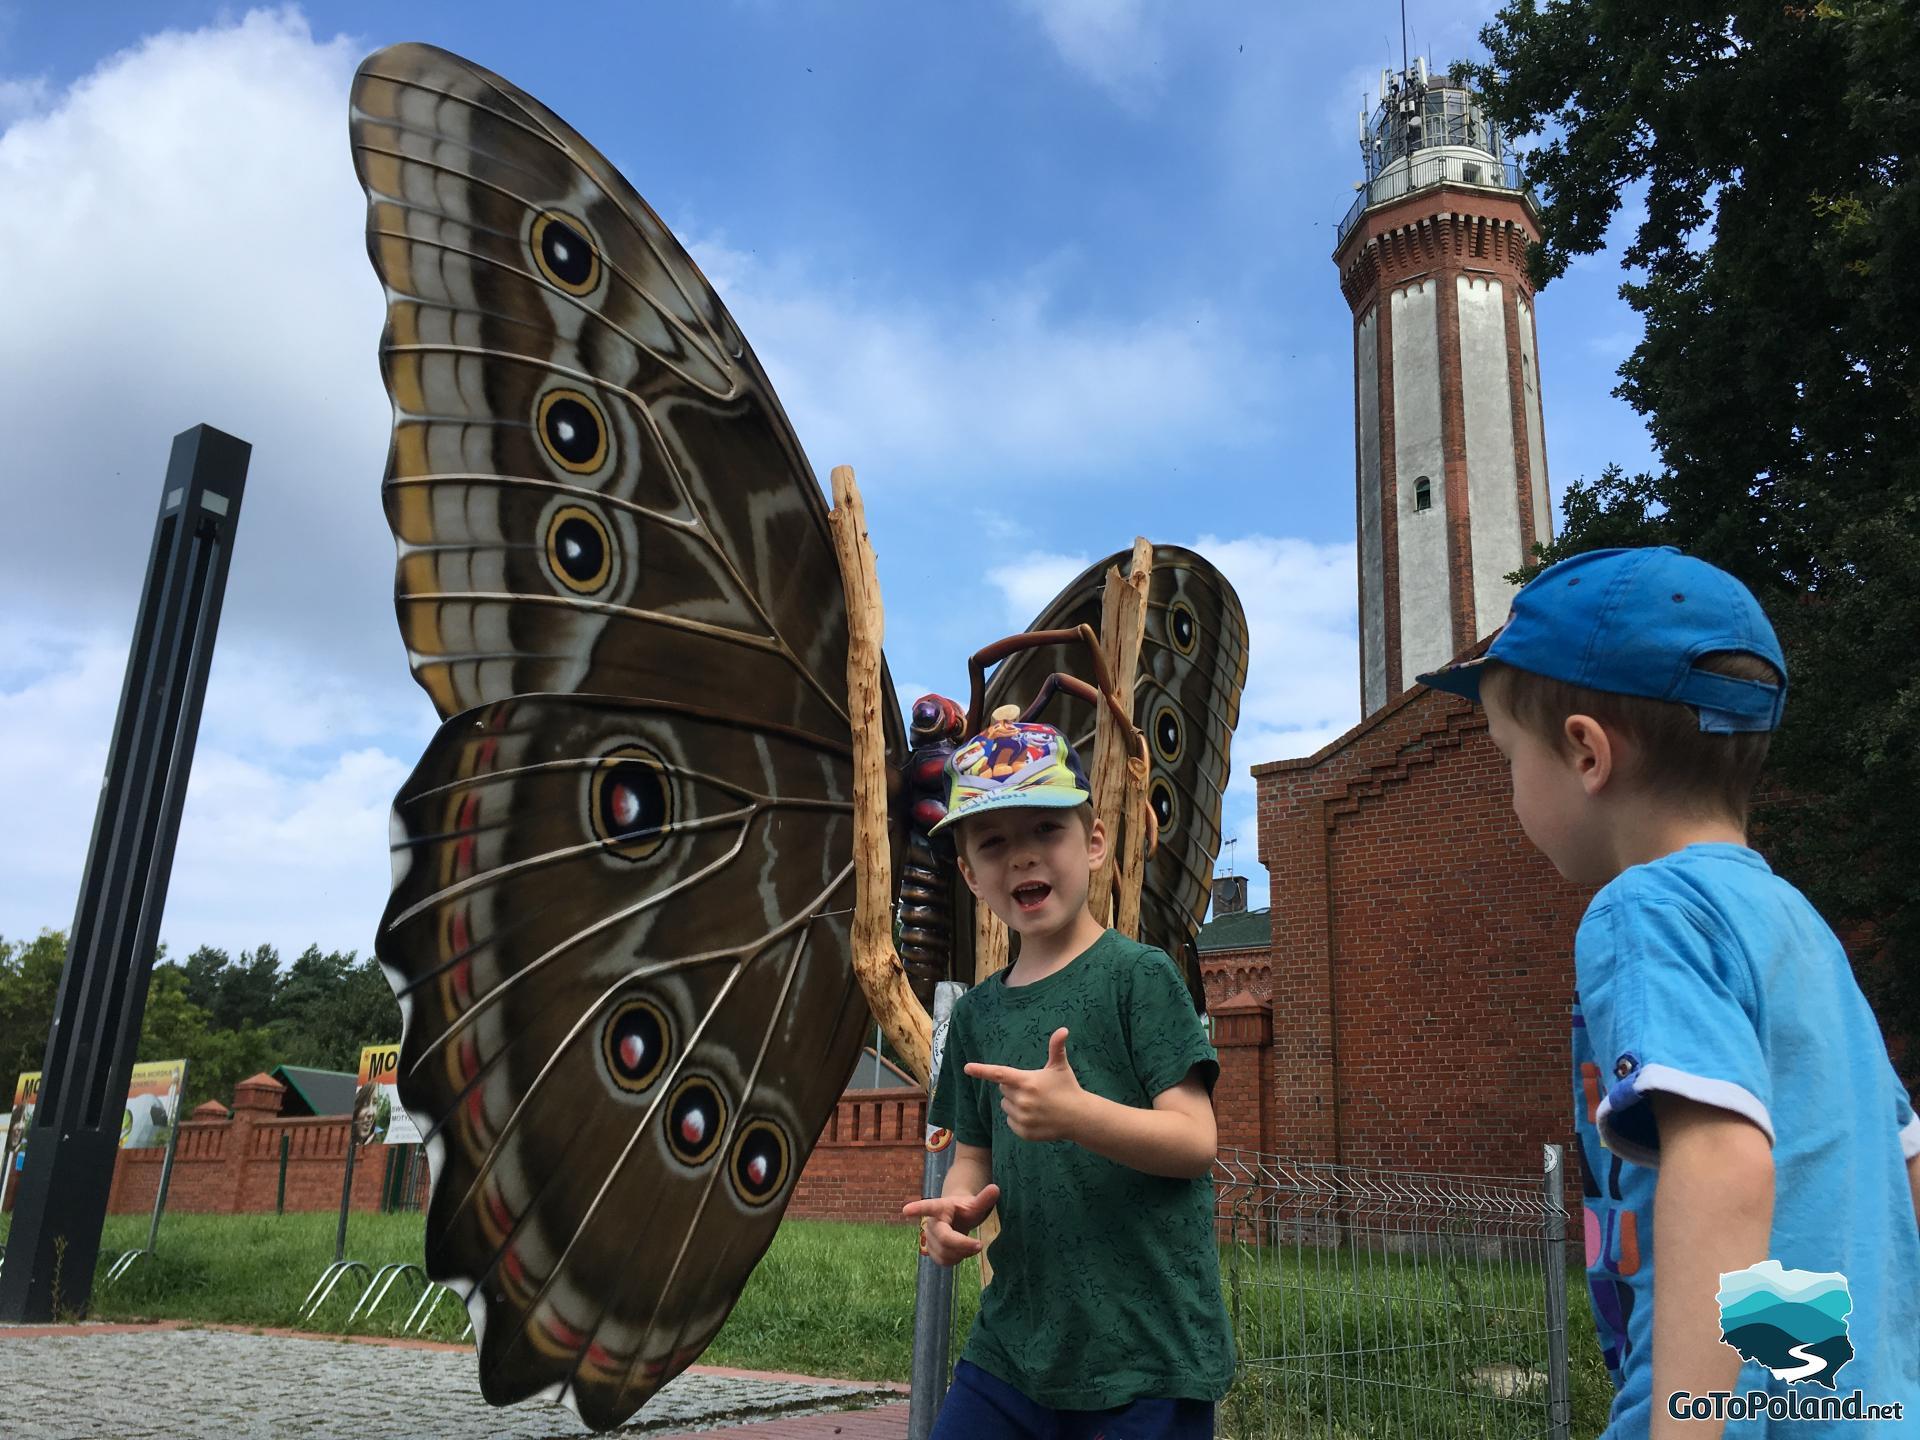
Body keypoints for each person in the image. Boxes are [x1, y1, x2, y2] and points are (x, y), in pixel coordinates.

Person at [1418, 547, 1920, 1438]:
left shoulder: (1647, 909)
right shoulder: (1799, 927)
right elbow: (1906, 1166)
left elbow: (1724, 1162)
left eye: (1506, 755)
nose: (1509, 787)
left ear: (1584, 753)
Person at [903, 707, 1233, 1439]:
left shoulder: (1138, 979)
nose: (1022, 858)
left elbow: (1194, 1141)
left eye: (1046, 831)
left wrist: (1078, 1115)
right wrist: (958, 1210)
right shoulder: (978, 1019)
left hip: (1146, 1356)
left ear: (1093, 843)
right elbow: (974, 1159)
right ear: (968, 872)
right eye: (994, 843)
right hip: (1015, 1350)